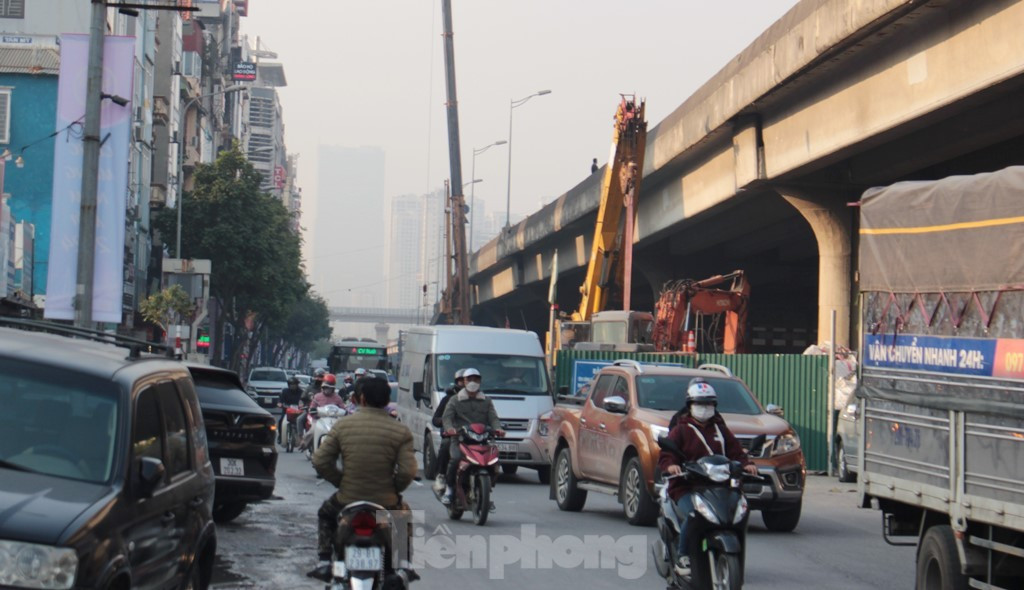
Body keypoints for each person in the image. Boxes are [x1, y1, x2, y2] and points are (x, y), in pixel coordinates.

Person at [308, 377, 418, 582]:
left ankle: (324, 561)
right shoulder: (400, 430)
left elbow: (320, 460)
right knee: (403, 516)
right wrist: (393, 490)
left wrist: (341, 481)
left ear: (361, 398)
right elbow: (408, 471)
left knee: (325, 513)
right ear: (386, 400)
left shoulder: (343, 426)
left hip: (347, 500)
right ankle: (404, 566)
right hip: (386, 502)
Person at [657, 378, 758, 576]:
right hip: (687, 487)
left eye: (709, 403)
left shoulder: (720, 430)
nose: (705, 408)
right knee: (695, 515)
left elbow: (736, 452)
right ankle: (683, 556)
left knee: (739, 511)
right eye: (700, 403)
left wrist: (747, 465)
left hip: (719, 486)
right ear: (690, 405)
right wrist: (672, 466)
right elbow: (667, 455)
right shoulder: (681, 430)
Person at [440, 368, 505, 505]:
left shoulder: (486, 401)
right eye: (469, 379)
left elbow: (493, 418)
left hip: (482, 440)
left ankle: (486, 490)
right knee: (455, 459)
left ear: (480, 381)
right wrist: (450, 429)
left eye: (476, 379)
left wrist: (498, 429)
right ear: (463, 381)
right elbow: (447, 418)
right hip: (460, 439)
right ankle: (450, 489)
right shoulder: (454, 400)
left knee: (494, 461)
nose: (473, 382)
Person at [431, 369, 465, 492]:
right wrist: (446, 424)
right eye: (463, 381)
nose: (467, 385)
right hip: (453, 436)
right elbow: (436, 419)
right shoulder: (449, 399)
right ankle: (441, 475)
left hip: (472, 437)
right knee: (446, 445)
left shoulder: (481, 400)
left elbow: (489, 417)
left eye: (472, 381)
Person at [277, 376, 304, 444]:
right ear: (288, 385)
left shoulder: (301, 392)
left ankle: (302, 437)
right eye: (291, 384)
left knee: (303, 421)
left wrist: (303, 405)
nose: (293, 386)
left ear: (297, 385)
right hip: (286, 410)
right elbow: (280, 400)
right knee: (280, 421)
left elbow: (304, 400)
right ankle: (280, 436)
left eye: (294, 384)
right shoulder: (285, 391)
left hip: (298, 411)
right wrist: (280, 403)